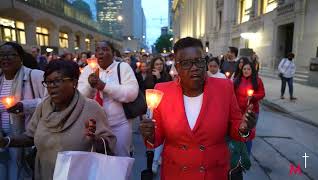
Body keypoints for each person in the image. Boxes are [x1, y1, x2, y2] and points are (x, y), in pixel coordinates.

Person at [139, 37, 257, 180]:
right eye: (186, 63)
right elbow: (155, 139)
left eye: (199, 61)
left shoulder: (224, 88)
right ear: (176, 66)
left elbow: (237, 130)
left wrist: (244, 128)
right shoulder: (162, 91)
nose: (194, 67)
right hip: (176, 173)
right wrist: (149, 134)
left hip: (213, 173)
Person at [0, 59, 116, 180]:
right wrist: (6, 141)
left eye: (57, 81)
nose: (51, 86)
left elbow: (109, 144)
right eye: (48, 82)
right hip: (44, 174)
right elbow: (30, 137)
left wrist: (94, 139)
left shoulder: (91, 108)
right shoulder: (44, 106)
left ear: (74, 82)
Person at [78, 40, 139, 157]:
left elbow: (132, 93)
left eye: (105, 50)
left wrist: (104, 86)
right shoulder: (88, 70)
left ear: (113, 53)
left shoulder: (123, 68)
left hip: (120, 124)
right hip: (94, 126)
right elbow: (80, 96)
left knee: (120, 160)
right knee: (96, 160)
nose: (100, 53)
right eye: (97, 50)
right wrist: (90, 86)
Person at [0, 42, 46, 180]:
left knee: (20, 172)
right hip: (2, 140)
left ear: (20, 57)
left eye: (10, 55)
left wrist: (25, 106)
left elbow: (53, 101)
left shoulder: (36, 76)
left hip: (26, 138)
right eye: (2, 55)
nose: (5, 58)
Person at [233, 60, 265, 155]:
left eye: (248, 69)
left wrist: (254, 96)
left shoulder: (257, 80)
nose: (246, 71)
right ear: (241, 70)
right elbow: (232, 95)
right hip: (238, 112)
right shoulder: (237, 80)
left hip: (252, 112)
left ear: (252, 70)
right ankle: (237, 155)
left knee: (248, 135)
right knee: (238, 134)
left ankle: (246, 156)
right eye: (244, 69)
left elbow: (262, 93)